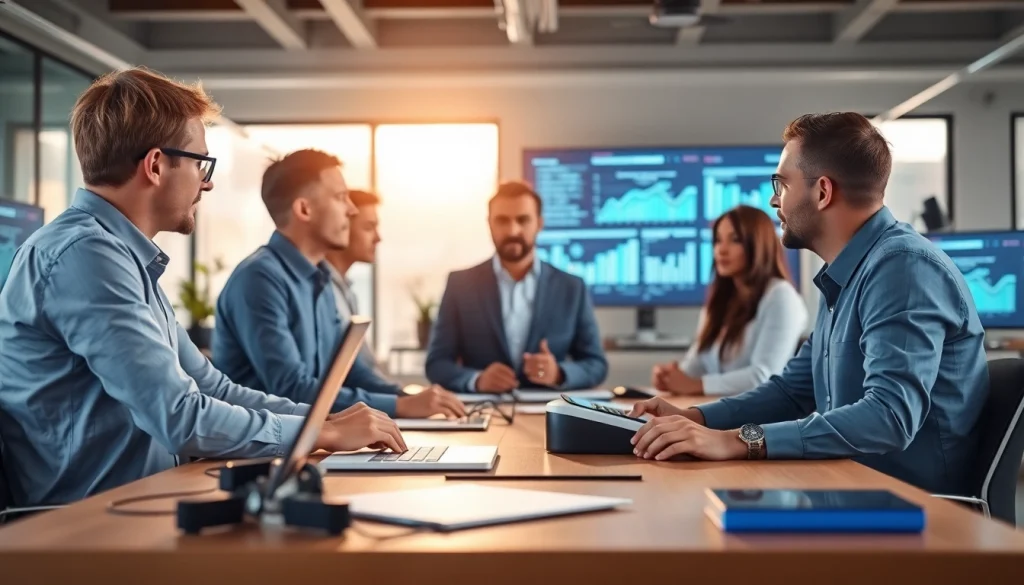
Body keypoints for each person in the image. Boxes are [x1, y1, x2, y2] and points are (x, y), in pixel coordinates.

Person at [0, 68, 405, 507]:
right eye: (200, 163)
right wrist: (321, 432)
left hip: (145, 503)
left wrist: (328, 419)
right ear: (156, 166)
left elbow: (212, 387)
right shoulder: (85, 257)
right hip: (84, 527)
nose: (206, 182)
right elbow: (179, 417)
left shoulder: (124, 257)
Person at [629, 112, 988, 496]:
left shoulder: (903, 268)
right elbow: (790, 391)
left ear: (822, 192)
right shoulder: (846, 275)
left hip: (913, 510)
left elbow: (889, 416)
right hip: (847, 485)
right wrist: (694, 417)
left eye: (781, 184)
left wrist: (738, 440)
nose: (773, 199)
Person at [213, 149, 465, 420]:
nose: (351, 209)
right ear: (304, 209)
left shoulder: (320, 276)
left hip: (312, 440)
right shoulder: (259, 279)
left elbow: (349, 371)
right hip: (262, 450)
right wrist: (398, 407)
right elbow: (291, 388)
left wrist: (407, 398)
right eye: (340, 197)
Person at [426, 181, 608, 393]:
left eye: (523, 220)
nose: (513, 230)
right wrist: (477, 379)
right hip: (484, 411)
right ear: (489, 224)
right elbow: (436, 364)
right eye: (502, 221)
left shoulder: (572, 288)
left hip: (547, 412)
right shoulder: (460, 285)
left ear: (539, 223)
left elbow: (596, 364)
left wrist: (559, 373)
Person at [650, 205, 807, 396]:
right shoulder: (721, 300)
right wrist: (672, 377)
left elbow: (764, 376)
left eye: (735, 240)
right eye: (717, 241)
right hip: (721, 410)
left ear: (758, 244)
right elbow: (697, 362)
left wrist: (697, 385)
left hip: (758, 420)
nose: (721, 250)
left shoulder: (781, 296)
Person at [323, 189, 384, 375]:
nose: (378, 238)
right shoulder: (322, 292)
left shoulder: (347, 292)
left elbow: (363, 369)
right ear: (342, 226)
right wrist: (401, 400)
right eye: (368, 227)